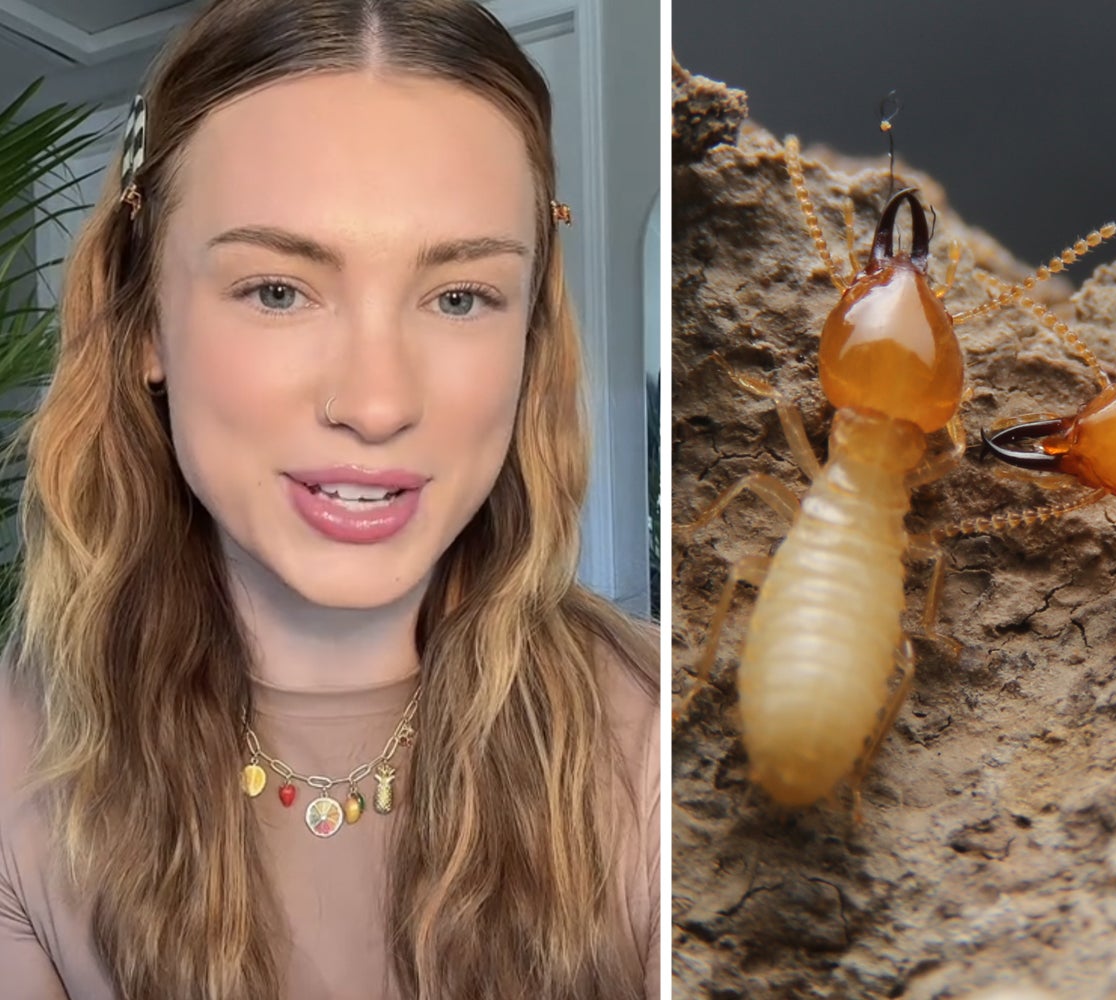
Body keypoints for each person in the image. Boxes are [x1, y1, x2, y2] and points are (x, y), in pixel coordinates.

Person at [0, 1, 659, 998]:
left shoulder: (664, 738)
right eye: (277, 290)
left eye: (458, 296)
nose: (376, 403)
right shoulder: (19, 762)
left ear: (527, 335)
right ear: (143, 323)